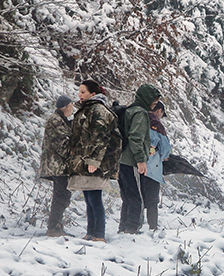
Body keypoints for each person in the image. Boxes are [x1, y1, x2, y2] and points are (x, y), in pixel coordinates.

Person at [67, 80, 119, 242]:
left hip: (94, 162)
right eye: (79, 91)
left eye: (83, 92)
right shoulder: (88, 109)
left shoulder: (98, 110)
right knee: (89, 197)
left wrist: (94, 161)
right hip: (84, 160)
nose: (79, 95)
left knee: (95, 198)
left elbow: (100, 137)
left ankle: (99, 234)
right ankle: (91, 232)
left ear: (93, 94)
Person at [118, 83, 161, 234]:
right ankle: (131, 229)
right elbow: (136, 138)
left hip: (121, 159)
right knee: (137, 197)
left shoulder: (129, 110)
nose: (154, 105)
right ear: (146, 98)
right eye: (153, 102)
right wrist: (140, 160)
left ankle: (123, 228)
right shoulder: (140, 113)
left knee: (127, 197)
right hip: (131, 161)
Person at [39, 95, 73, 236]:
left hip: (59, 165)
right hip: (58, 165)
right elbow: (62, 144)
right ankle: (54, 227)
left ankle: (56, 226)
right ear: (66, 106)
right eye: (71, 105)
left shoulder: (60, 120)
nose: (72, 109)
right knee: (61, 196)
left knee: (62, 195)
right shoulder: (56, 120)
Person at [143, 100, 171, 230]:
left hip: (133, 164)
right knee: (152, 200)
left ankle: (133, 226)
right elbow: (165, 149)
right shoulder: (156, 124)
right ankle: (152, 226)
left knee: (136, 197)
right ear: (159, 111)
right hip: (152, 167)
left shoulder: (138, 118)